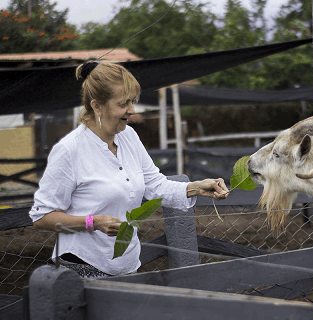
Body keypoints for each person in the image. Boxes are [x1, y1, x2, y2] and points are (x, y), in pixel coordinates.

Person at [29, 61, 230, 278]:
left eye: (132, 102)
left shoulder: (129, 137)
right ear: (97, 106)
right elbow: (43, 217)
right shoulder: (70, 150)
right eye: (124, 103)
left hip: (127, 265)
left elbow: (155, 185)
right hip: (80, 267)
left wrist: (196, 188)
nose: (132, 110)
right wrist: (92, 222)